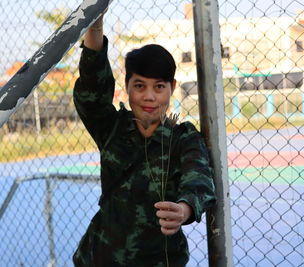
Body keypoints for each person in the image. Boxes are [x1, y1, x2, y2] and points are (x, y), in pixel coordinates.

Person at [72, 15, 216, 267]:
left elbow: (199, 180)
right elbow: (92, 88)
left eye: (159, 87)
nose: (149, 97)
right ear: (127, 86)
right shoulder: (111, 128)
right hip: (100, 258)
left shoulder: (183, 138)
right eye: (139, 86)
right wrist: (95, 23)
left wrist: (183, 209)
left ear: (172, 87)